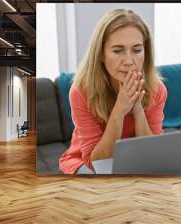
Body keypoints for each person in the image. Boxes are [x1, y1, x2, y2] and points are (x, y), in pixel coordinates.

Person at [59, 8, 167, 174]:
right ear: (101, 54)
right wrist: (120, 110)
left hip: (132, 158)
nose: (129, 61)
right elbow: (97, 163)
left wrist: (138, 110)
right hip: (86, 160)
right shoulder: (81, 92)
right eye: (118, 50)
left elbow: (152, 153)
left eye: (137, 50)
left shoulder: (157, 90)